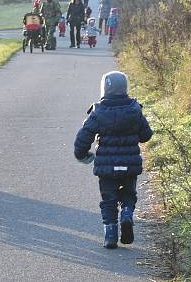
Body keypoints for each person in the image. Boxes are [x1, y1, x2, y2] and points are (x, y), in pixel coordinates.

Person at [74, 71, 153, 249]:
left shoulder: (98, 112)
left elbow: (83, 137)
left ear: (104, 89)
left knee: (108, 199)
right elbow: (146, 135)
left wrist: (82, 154)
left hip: (107, 167)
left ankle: (110, 233)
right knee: (129, 194)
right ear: (125, 88)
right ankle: (126, 214)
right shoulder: (135, 110)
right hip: (130, 165)